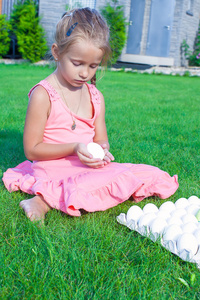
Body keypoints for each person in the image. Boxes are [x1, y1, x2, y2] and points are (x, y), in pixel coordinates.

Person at [2, 8, 179, 221]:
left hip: (86, 168)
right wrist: (75, 148)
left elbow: (101, 139)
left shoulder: (96, 97)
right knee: (92, 184)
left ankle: (68, 193)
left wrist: (101, 151)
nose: (85, 73)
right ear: (57, 52)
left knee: (150, 174)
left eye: (93, 66)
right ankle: (42, 200)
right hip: (52, 168)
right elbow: (32, 150)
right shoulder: (43, 95)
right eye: (77, 64)